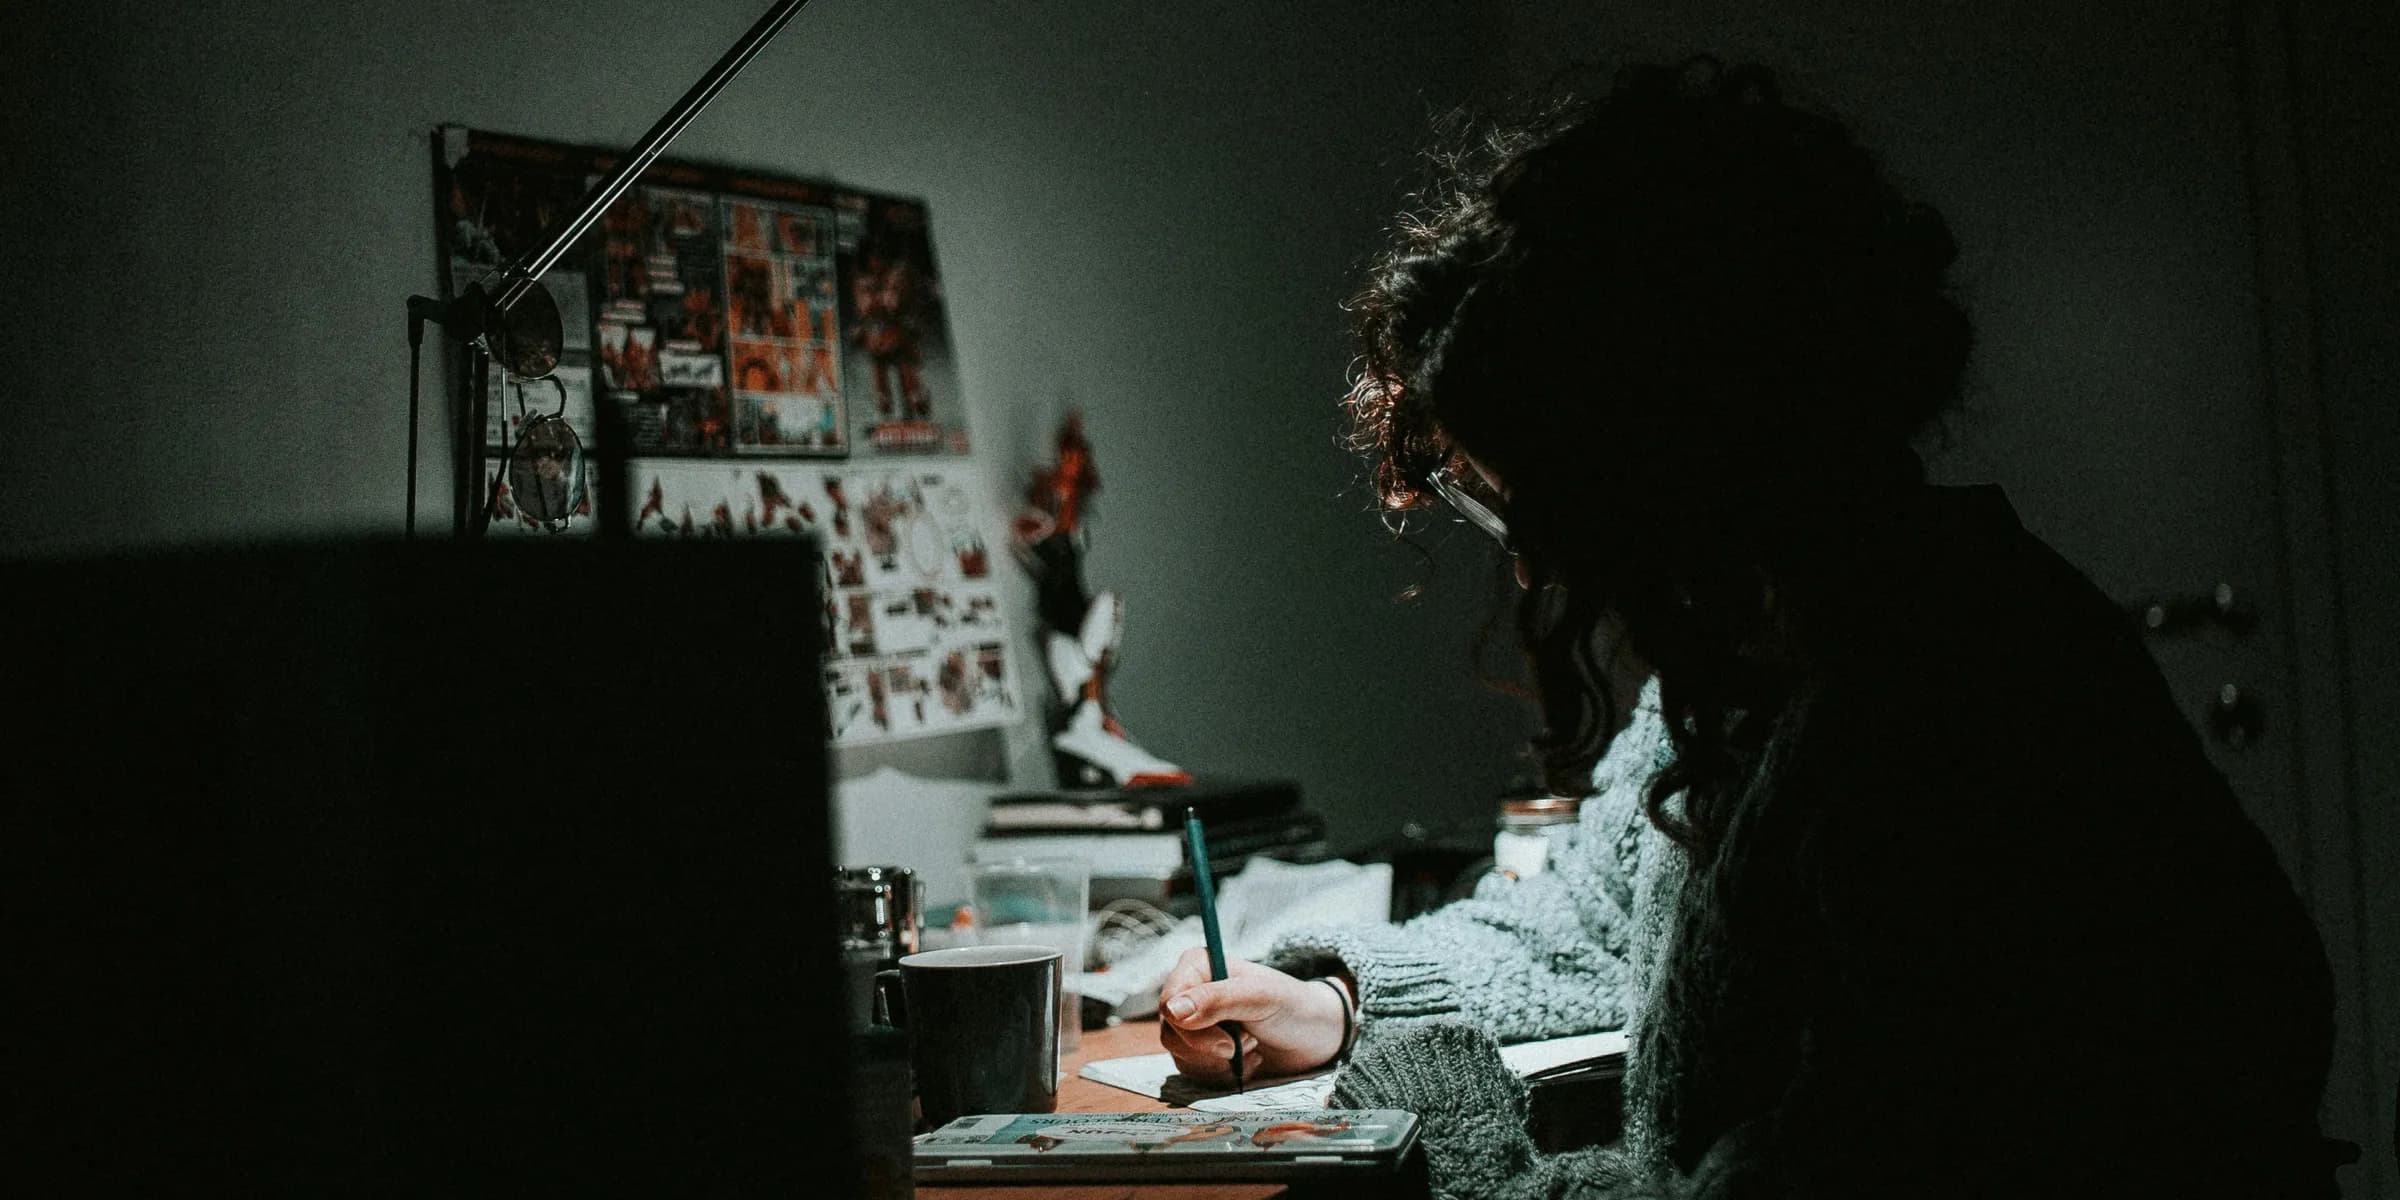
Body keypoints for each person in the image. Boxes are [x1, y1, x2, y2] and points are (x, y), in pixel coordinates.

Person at [1156, 59, 2339, 1199]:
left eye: (1527, 501)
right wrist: (1340, 1003)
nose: (1526, 558)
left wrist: (1440, 1112)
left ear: (1672, 454)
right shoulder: (1761, 657)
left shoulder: (1951, 722)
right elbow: (1588, 923)